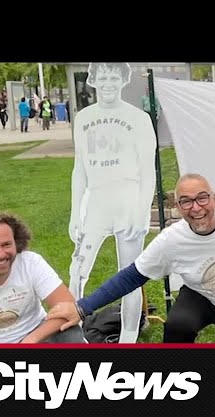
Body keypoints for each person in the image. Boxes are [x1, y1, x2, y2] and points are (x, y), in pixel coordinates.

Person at [46, 173, 215, 343]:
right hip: (201, 294)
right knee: (178, 326)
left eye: (202, 198)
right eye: (186, 202)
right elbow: (131, 276)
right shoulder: (171, 240)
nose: (196, 208)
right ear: (178, 207)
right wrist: (82, 308)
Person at [67, 62, 157, 343]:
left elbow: (147, 169)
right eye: (102, 76)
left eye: (113, 77)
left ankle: (128, 337)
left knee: (130, 274)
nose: (107, 82)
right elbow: (79, 168)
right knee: (77, 269)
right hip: (97, 199)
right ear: (94, 80)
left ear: (122, 80)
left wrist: (142, 210)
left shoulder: (139, 118)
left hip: (128, 198)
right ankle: (72, 331)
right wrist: (75, 212)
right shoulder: (83, 117)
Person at [0, 213, 85, 343]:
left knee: (70, 335)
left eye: (6, 245)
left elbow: (69, 308)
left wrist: (31, 340)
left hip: (36, 336)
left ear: (15, 244)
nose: (0, 254)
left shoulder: (30, 263)